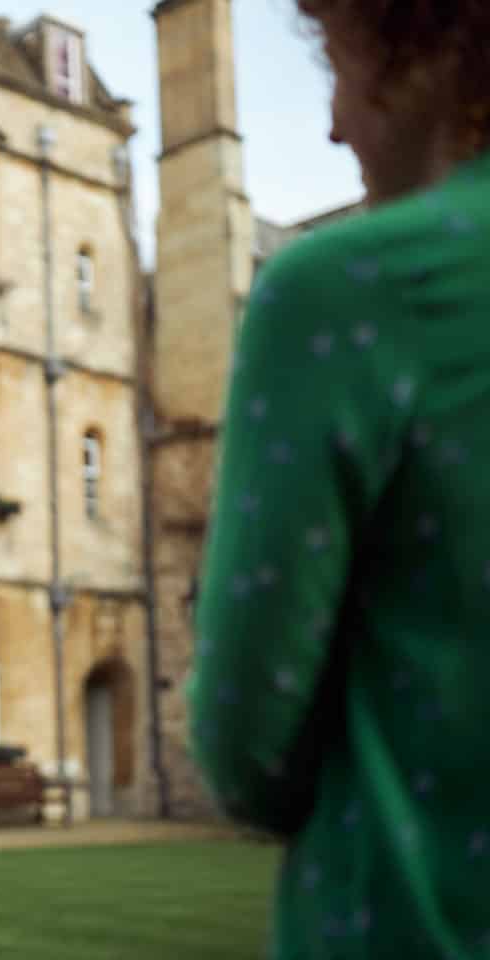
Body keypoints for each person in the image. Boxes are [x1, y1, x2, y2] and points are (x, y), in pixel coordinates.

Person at [188, 2, 490, 956]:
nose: (333, 124)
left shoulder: (345, 293)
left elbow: (246, 749)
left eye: (341, 66)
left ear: (430, 46)